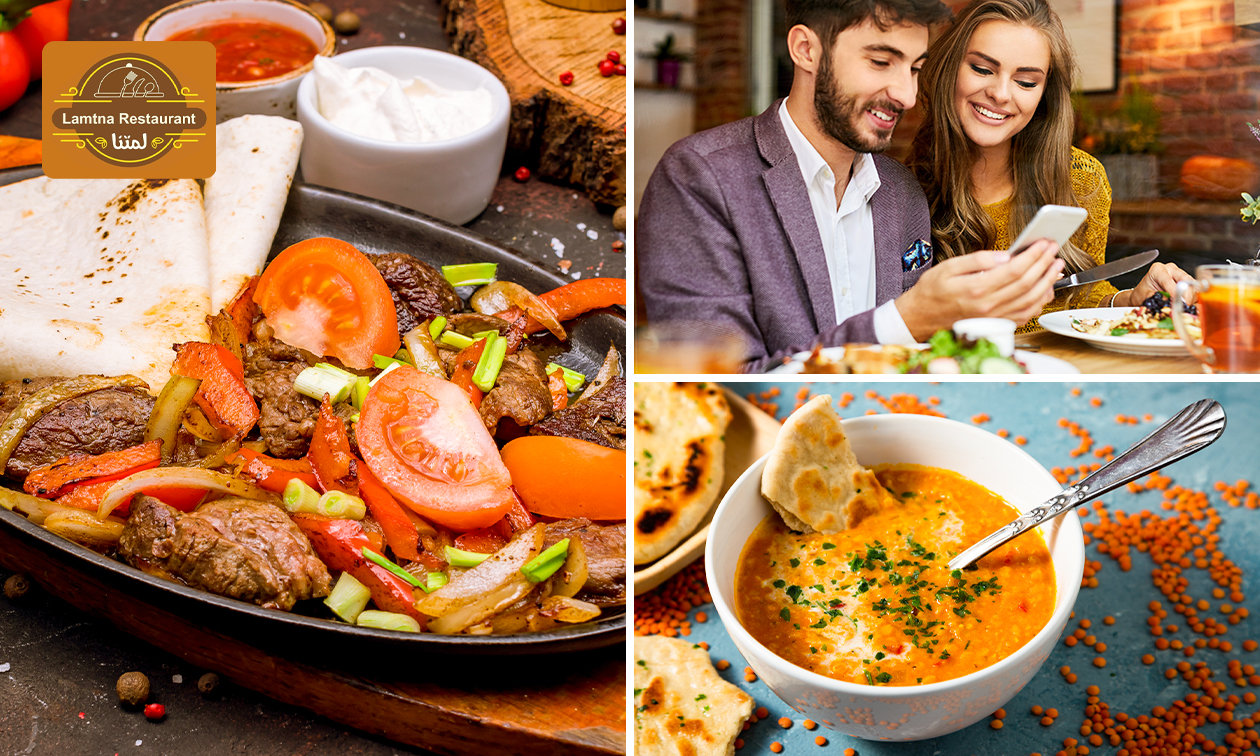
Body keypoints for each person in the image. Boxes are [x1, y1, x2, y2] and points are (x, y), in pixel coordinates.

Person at [637, 0, 1066, 372]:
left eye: (914, 68)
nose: (906, 94)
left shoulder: (901, 191)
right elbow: (717, 385)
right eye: (881, 62)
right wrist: (906, 319)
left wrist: (979, 316)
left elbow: (916, 362)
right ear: (806, 50)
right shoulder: (699, 177)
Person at [906, 0, 1190, 331]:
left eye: (1026, 82)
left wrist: (1128, 301)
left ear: (1044, 94)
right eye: (982, 69)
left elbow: (1080, 298)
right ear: (948, 68)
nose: (1000, 93)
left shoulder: (1081, 180)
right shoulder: (902, 189)